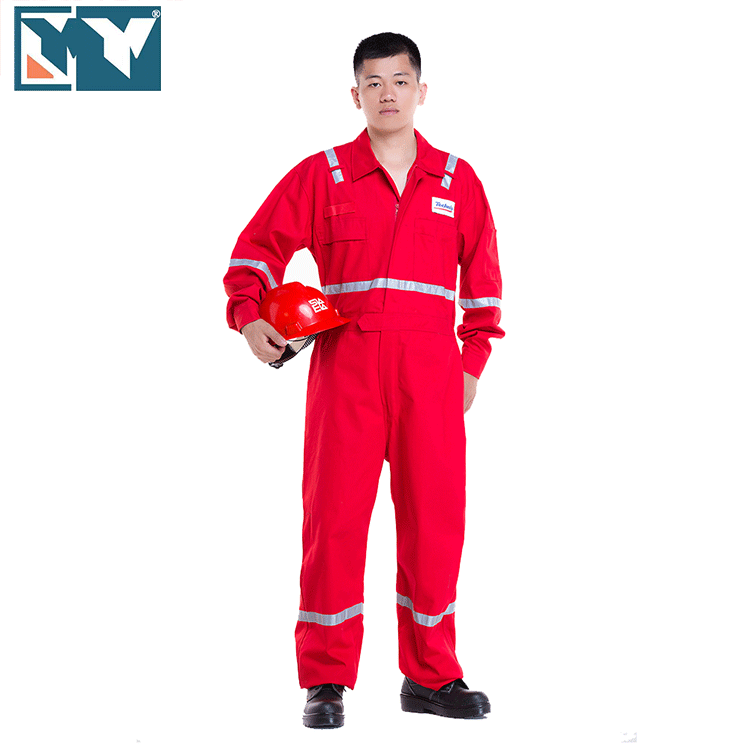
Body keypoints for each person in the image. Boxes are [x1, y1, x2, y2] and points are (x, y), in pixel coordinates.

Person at [223, 32, 504, 728]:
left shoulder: (459, 181)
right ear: (356, 95)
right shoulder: (323, 175)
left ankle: (431, 676)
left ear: (421, 91)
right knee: (334, 523)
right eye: (373, 83)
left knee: (435, 525)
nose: (387, 94)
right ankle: (325, 680)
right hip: (345, 368)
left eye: (399, 81)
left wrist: (471, 364)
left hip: (430, 374)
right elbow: (255, 251)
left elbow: (485, 289)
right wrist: (249, 317)